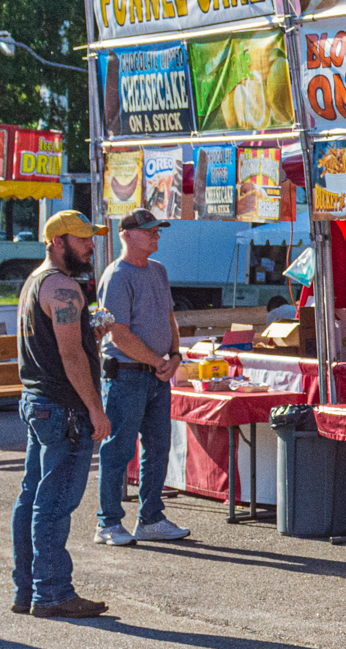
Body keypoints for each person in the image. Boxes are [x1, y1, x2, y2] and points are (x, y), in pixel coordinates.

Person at [10, 211, 110, 619]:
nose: (89, 245)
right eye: (82, 239)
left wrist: (90, 333)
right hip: (62, 407)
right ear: (57, 242)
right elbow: (70, 356)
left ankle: (29, 589)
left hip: (38, 401)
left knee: (32, 497)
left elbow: (61, 345)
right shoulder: (64, 287)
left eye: (90, 238)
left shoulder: (35, 282)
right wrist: (95, 408)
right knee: (52, 503)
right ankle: (51, 594)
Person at [93, 209, 189, 547]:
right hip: (127, 375)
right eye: (149, 230)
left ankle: (151, 518)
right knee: (118, 449)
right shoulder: (117, 276)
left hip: (153, 375)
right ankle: (108, 522)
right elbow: (119, 334)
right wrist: (160, 362)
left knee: (158, 448)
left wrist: (174, 357)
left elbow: (169, 317)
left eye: (157, 230)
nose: (156, 236)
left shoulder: (158, 271)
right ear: (126, 235)